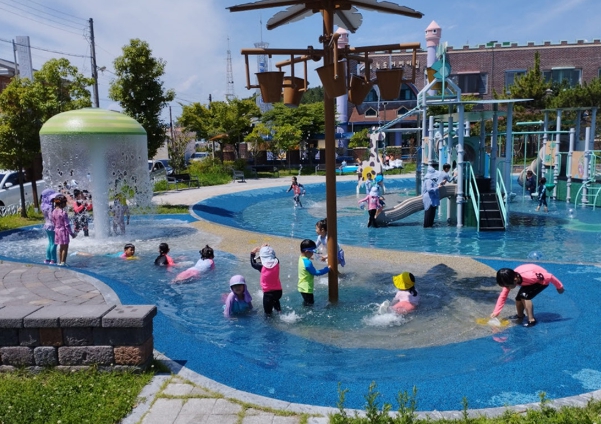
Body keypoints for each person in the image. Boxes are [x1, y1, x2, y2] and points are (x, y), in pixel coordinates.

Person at [490, 264, 565, 327]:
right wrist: (496, 312)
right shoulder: (511, 279)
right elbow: (503, 296)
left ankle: (531, 320)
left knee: (524, 296)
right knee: (518, 298)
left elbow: (549, 276)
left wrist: (559, 287)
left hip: (541, 282)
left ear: (515, 279)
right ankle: (520, 315)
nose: (507, 288)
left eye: (507, 286)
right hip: (529, 282)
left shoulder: (530, 276)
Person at [250, 244, 282, 315]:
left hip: (268, 294)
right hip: (278, 292)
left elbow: (253, 263)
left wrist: (252, 253)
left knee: (268, 314)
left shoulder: (261, 267)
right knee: (276, 301)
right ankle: (280, 312)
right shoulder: (277, 262)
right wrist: (268, 248)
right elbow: (273, 256)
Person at [297, 239, 330, 306]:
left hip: (301, 286)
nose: (312, 254)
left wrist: (308, 257)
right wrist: (327, 269)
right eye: (312, 252)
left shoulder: (301, 258)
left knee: (306, 302)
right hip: (307, 288)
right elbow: (316, 272)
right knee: (310, 305)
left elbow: (305, 260)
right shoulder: (307, 263)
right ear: (306, 251)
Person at [51, 194, 77, 266]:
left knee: (60, 247)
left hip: (57, 231)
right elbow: (67, 225)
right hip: (63, 232)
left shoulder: (53, 212)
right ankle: (63, 262)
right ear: (62, 203)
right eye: (65, 203)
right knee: (65, 247)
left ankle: (60, 262)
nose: (65, 204)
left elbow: (54, 222)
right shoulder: (63, 213)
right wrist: (72, 234)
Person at [41, 189, 58, 265]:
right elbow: (52, 217)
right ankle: (53, 259)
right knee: (54, 243)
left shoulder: (43, 206)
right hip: (53, 226)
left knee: (50, 242)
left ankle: (47, 258)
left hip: (47, 225)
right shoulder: (50, 207)